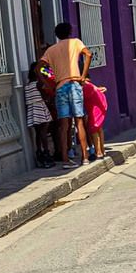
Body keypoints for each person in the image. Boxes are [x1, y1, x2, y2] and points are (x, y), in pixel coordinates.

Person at [40, 22, 92, 170]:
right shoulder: (75, 42)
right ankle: (85, 156)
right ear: (69, 32)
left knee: (64, 125)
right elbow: (88, 54)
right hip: (75, 84)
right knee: (80, 121)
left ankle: (65, 159)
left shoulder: (51, 50)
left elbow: (40, 68)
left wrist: (50, 83)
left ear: (57, 35)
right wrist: (82, 76)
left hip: (60, 87)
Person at [25, 62, 55, 168]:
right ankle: (46, 152)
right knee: (44, 132)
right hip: (40, 108)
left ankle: (39, 151)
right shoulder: (38, 84)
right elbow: (45, 95)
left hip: (32, 110)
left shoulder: (28, 85)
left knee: (38, 133)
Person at [82, 79, 107, 162]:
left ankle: (99, 151)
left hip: (95, 108)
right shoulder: (89, 85)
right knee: (98, 128)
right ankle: (101, 150)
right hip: (98, 105)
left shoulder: (85, 86)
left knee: (94, 128)